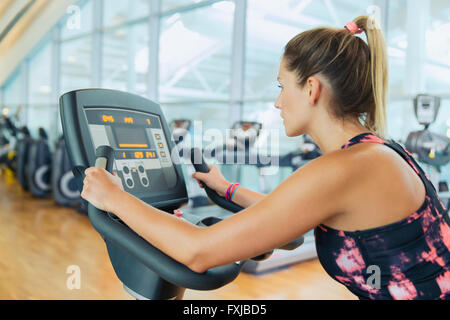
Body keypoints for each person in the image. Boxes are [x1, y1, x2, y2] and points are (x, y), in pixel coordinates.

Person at [80, 16, 450, 300]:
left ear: (311, 89)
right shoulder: (373, 153)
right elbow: (289, 211)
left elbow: (198, 252)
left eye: (281, 86)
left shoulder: (348, 167)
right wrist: (226, 189)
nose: (276, 102)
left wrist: (115, 198)